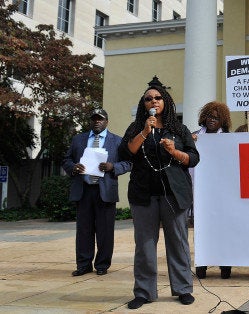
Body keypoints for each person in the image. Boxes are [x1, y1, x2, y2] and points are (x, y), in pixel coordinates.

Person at [119, 85, 199, 309]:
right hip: (143, 194)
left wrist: (174, 151)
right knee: (144, 246)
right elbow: (125, 153)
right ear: (143, 104)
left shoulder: (179, 129)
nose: (153, 102)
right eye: (148, 99)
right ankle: (144, 292)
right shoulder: (137, 127)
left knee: (178, 243)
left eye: (158, 98)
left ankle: (183, 289)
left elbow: (193, 159)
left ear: (166, 102)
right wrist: (144, 132)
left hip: (174, 194)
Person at [63, 109, 131, 277]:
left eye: (100, 119)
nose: (96, 122)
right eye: (93, 119)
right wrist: (73, 167)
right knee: (84, 230)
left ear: (106, 121)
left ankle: (102, 264)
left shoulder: (117, 141)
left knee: (105, 231)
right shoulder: (78, 139)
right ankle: (83, 265)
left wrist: (112, 167)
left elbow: (129, 163)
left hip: (105, 191)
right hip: (84, 190)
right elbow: (66, 160)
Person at [192, 101, 232, 279]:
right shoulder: (194, 137)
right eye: (209, 116)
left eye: (216, 118)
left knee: (224, 232)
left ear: (222, 120)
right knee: (202, 232)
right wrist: (190, 142)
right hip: (200, 194)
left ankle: (225, 268)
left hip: (222, 195)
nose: (211, 120)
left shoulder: (228, 138)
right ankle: (202, 267)